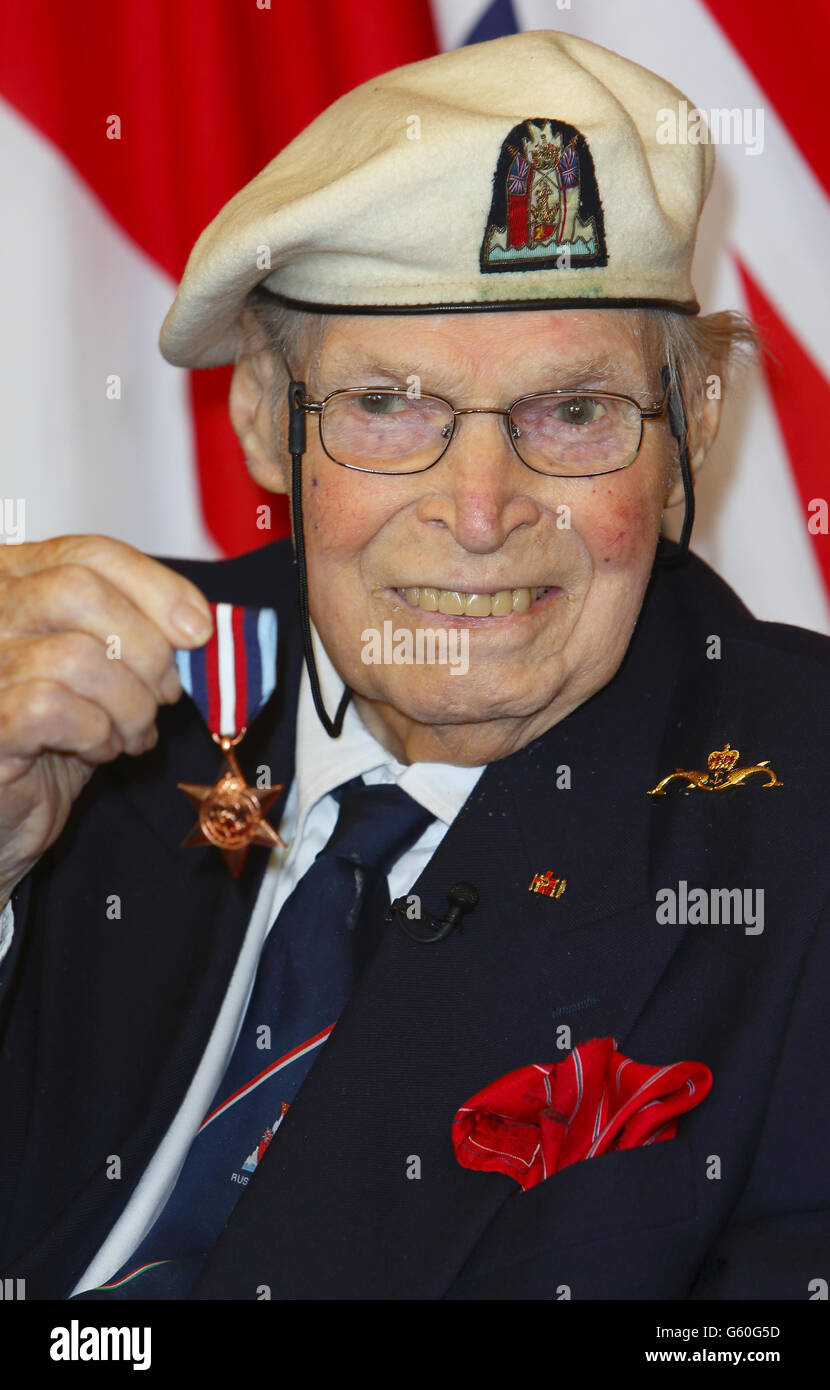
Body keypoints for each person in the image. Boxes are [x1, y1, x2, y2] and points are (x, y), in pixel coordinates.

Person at [1, 30, 828, 1302]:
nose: (482, 510)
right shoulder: (86, 698)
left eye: (571, 412)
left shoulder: (796, 811)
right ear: (266, 419)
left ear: (690, 432)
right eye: (388, 405)